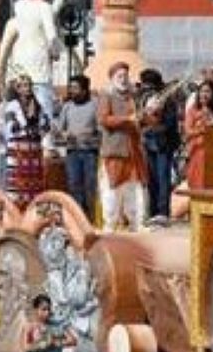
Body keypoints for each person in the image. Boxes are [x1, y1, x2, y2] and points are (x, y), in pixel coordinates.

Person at [0, 0, 69, 141]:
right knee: (44, 110)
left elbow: (52, 10)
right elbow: (52, 35)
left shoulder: (20, 7)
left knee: (19, 110)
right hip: (39, 69)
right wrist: (56, 52)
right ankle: (46, 146)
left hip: (20, 68)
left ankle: (18, 143)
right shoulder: (43, 7)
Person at [97, 62, 147, 232]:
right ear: (112, 78)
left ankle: (136, 222)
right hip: (115, 150)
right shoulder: (107, 95)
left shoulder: (133, 96)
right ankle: (110, 224)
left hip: (133, 149)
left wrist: (150, 113)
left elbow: (142, 120)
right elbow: (103, 119)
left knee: (134, 188)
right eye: (120, 76)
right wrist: (127, 119)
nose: (124, 79)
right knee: (112, 188)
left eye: (125, 75)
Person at [54, 75, 100, 220]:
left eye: (75, 88)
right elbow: (59, 130)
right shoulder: (67, 107)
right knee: (74, 185)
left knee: (90, 186)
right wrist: (64, 134)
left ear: (84, 90)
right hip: (72, 152)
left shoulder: (95, 105)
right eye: (70, 88)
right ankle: (78, 218)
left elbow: (102, 131)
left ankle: (91, 219)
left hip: (90, 153)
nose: (71, 91)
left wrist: (89, 137)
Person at [138, 69, 180, 226]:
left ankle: (163, 213)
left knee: (163, 179)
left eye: (147, 85)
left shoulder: (168, 100)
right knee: (152, 179)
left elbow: (170, 123)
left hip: (164, 144)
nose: (145, 88)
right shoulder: (143, 98)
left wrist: (152, 127)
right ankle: (153, 212)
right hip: (148, 143)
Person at [3, 75, 50, 208]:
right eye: (23, 86)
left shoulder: (38, 105)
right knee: (18, 181)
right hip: (18, 148)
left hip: (34, 148)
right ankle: (15, 209)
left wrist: (41, 129)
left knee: (33, 180)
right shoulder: (12, 105)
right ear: (17, 89)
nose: (27, 88)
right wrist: (23, 126)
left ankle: (32, 208)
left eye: (29, 85)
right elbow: (10, 126)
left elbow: (46, 124)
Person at [183, 80, 213, 189]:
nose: (204, 94)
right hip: (198, 150)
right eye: (202, 91)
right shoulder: (193, 110)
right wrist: (203, 130)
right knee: (198, 182)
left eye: (208, 91)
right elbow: (187, 131)